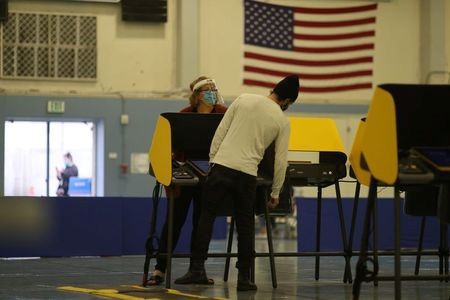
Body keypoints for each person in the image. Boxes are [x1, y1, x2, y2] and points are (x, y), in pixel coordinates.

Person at [175, 74, 300, 291]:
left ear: (274, 90)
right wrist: (276, 193)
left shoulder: (243, 99)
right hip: (247, 175)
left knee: (207, 217)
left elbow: (220, 134)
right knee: (245, 225)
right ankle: (244, 278)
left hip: (222, 167)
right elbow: (281, 161)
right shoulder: (282, 120)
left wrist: (213, 162)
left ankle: (197, 269)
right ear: (287, 101)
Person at [146, 76, 227, 286]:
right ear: (197, 95)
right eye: (208, 89)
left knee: (201, 225)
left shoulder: (223, 114)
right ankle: (159, 269)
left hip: (210, 177)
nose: (212, 92)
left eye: (214, 89)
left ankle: (197, 269)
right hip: (184, 176)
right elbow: (171, 146)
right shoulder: (183, 115)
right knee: (174, 221)